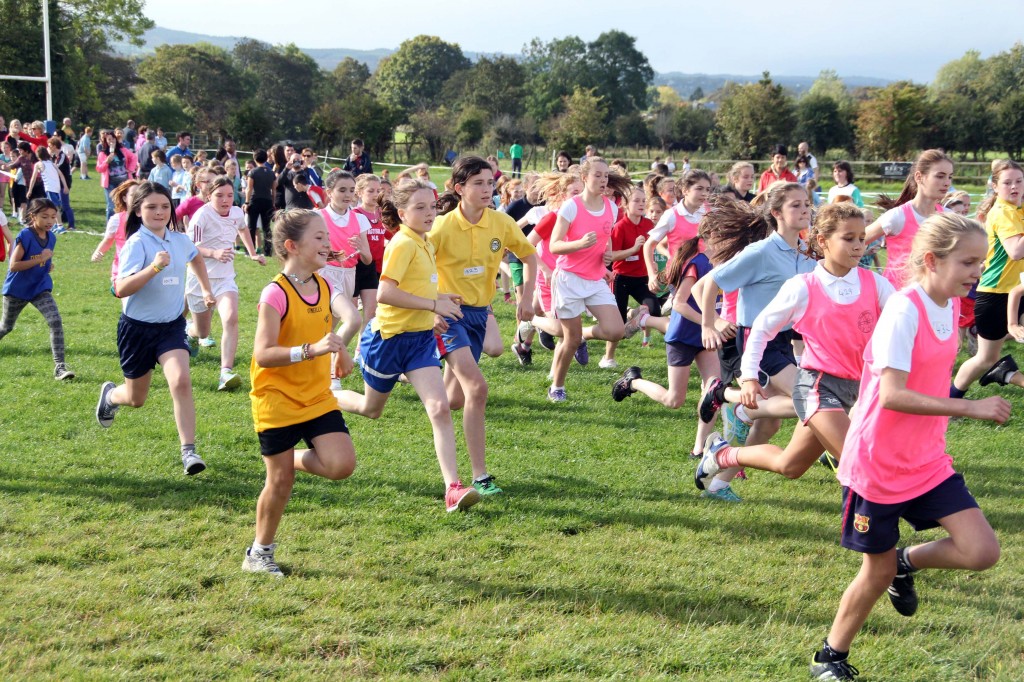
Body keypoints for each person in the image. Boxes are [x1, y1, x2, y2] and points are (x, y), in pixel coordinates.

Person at [809, 213, 1006, 681]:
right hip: (878, 464)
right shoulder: (905, 309)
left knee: (981, 551)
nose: (977, 272)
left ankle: (906, 561)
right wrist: (970, 408)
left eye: (980, 262)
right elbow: (893, 394)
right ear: (933, 260)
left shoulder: (951, 307)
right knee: (873, 574)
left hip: (927, 461)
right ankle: (829, 657)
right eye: (968, 262)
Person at [695, 203, 894, 487]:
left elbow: (903, 323)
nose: (858, 245)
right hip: (817, 387)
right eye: (848, 238)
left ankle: (723, 454)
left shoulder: (875, 284)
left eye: (862, 238)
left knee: (789, 465)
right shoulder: (803, 286)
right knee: (859, 462)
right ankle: (873, 525)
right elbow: (760, 330)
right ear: (823, 241)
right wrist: (749, 377)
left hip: (855, 387)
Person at [335, 178, 481, 512]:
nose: (430, 213)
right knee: (372, 410)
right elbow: (385, 293)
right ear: (402, 212)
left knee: (440, 407)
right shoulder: (402, 243)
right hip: (386, 341)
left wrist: (439, 299)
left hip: (418, 343)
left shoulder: (425, 241)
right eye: (420, 208)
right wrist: (433, 306)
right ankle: (325, 393)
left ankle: (453, 488)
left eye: (432, 206)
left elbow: (418, 289)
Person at [245, 209, 357, 577]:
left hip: (316, 395)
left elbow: (339, 322)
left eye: (328, 237)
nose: (328, 243)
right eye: (320, 238)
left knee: (342, 465)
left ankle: (287, 458)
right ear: (292, 246)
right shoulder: (274, 293)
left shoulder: (324, 285)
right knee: (279, 483)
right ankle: (259, 554)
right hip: (275, 398)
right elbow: (263, 353)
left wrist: (339, 350)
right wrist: (312, 350)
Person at [693, 182, 817, 501]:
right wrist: (711, 323)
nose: (805, 210)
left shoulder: (803, 253)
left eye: (807, 204)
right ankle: (739, 407)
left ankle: (719, 482)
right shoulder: (760, 252)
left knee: (772, 425)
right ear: (776, 213)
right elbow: (709, 285)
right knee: (813, 398)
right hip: (758, 341)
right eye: (796, 205)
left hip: (785, 339)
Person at [430, 156, 537, 495]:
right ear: (459, 188)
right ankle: (481, 476)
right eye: (478, 183)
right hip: (450, 317)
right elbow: (419, 265)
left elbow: (530, 256)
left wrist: (526, 297)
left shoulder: (501, 223)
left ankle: (425, 385)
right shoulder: (443, 226)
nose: (487, 189)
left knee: (453, 400)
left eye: (490, 183)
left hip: (480, 314)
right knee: (477, 389)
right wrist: (434, 303)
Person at [95, 182, 217, 476]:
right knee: (137, 399)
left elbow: (196, 257)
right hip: (136, 330)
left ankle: (189, 452)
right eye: (151, 207)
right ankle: (111, 397)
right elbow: (120, 289)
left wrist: (205, 288)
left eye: (164, 206)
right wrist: (154, 268)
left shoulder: (178, 240)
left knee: (181, 382)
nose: (159, 212)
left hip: (171, 327)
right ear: (137, 210)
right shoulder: (138, 244)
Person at [612, 233, 721, 459]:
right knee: (674, 400)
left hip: (706, 336)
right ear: (716, 237)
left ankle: (699, 449)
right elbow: (679, 304)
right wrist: (709, 322)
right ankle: (633, 381)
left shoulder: (729, 263)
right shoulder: (697, 264)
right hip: (682, 336)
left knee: (713, 391)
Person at [547, 157, 630, 401]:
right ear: (584, 178)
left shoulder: (612, 207)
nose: (603, 180)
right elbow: (554, 245)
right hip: (569, 280)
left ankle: (583, 332)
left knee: (615, 331)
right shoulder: (571, 206)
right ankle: (557, 387)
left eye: (606, 176)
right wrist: (579, 244)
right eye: (597, 175)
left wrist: (607, 256)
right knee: (570, 341)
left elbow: (607, 237)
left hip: (595, 279)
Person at [184, 176, 266, 390]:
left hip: (225, 279)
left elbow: (243, 229)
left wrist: (252, 253)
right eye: (219, 195)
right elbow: (189, 248)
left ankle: (225, 372)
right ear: (208, 195)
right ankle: (190, 332)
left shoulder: (238, 212)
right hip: (199, 280)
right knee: (203, 332)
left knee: (231, 318)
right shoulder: (201, 216)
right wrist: (213, 252)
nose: (225, 200)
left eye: (230, 195)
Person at [951, 159, 1024, 396]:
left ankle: (1004, 371)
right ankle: (952, 397)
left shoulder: (1018, 209)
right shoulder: (1003, 212)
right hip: (996, 295)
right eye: (1007, 183)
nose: (1014, 187)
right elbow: (1016, 252)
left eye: (1019, 181)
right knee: (984, 358)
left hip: (1018, 290)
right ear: (995, 186)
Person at [0, 198, 74, 381]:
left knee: (55, 320)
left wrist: (47, 265)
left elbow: (43, 259)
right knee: (6, 327)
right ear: (33, 216)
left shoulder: (52, 237)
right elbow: (14, 265)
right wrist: (40, 260)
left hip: (39, 287)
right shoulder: (25, 235)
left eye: (53, 217)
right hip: (17, 289)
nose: (50, 221)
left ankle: (60, 367)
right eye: (45, 216)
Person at [865, 149, 952, 291]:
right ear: (919, 177)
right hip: (898, 298)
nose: (947, 183)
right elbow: (856, 241)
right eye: (940, 176)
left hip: (937, 298)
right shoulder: (897, 216)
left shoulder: (949, 218)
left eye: (950, 177)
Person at [317, 169, 371, 386]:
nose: (348, 195)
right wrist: (329, 255)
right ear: (329, 192)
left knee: (330, 328)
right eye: (342, 190)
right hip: (324, 275)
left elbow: (367, 259)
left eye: (351, 190)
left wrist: (361, 249)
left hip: (349, 275)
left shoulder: (360, 220)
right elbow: (310, 252)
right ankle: (333, 375)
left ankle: (316, 370)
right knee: (353, 320)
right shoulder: (318, 217)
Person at [352, 174, 386, 343]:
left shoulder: (382, 214)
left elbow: (391, 234)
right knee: (350, 314)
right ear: (359, 192)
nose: (375, 194)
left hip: (378, 267)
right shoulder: (355, 214)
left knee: (371, 311)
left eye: (378, 190)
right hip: (357, 266)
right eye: (370, 190)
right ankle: (337, 349)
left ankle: (361, 348)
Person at [91, 180, 143, 281]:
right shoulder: (116, 220)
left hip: (143, 266)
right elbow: (108, 240)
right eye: (133, 195)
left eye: (140, 195)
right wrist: (98, 252)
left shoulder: (149, 218)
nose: (137, 198)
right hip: (122, 268)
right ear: (124, 198)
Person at [96, 130, 138, 221]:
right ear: (105, 141)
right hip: (110, 183)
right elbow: (99, 169)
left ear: (116, 139)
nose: (111, 141)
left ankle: (126, 225)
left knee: (126, 204)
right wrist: (106, 162)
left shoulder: (123, 150)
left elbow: (134, 157)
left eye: (113, 138)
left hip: (124, 182)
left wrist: (130, 169)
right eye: (108, 139)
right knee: (111, 206)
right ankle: (110, 227)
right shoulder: (102, 154)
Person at [27, 147, 70, 233]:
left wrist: (30, 190)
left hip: (50, 188)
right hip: (56, 187)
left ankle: (60, 226)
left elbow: (33, 178)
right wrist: (65, 186)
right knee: (50, 206)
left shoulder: (39, 164)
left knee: (54, 207)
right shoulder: (52, 163)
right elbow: (61, 175)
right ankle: (54, 224)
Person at [244, 148, 277, 257]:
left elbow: (249, 188)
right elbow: (274, 190)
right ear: (266, 158)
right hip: (267, 200)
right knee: (266, 227)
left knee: (251, 226)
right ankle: (267, 250)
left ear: (254, 158)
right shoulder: (271, 173)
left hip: (255, 200)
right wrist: (273, 202)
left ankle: (250, 250)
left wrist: (247, 202)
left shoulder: (252, 172)